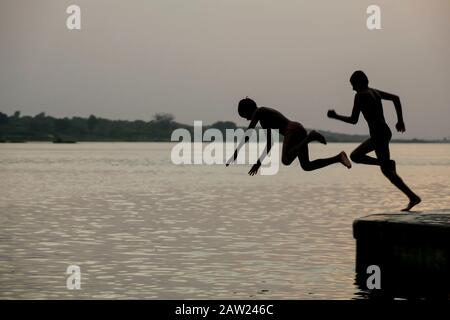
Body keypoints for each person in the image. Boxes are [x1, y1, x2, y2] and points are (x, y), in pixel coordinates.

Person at [327, 70, 421, 211]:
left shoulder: (360, 95)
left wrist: (336, 116)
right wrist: (400, 120)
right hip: (384, 132)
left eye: (353, 85)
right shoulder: (374, 92)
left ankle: (412, 196)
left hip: (378, 135)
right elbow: (396, 98)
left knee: (356, 156)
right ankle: (411, 195)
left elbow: (353, 120)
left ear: (359, 83)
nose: (352, 89)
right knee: (386, 169)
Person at [226, 97, 351, 175]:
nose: (247, 119)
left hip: (292, 130)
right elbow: (270, 144)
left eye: (245, 116)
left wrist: (236, 153)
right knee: (307, 166)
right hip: (297, 129)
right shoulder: (264, 121)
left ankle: (310, 137)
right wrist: (259, 163)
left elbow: (248, 133)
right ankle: (338, 158)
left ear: (249, 110)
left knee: (285, 160)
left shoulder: (260, 111)